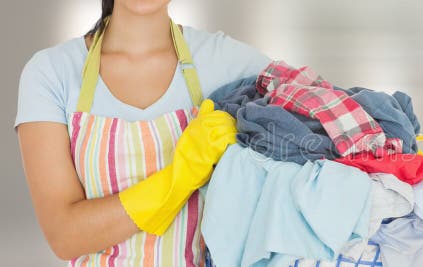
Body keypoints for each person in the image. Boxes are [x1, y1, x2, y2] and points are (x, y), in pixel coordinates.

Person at [14, 0, 270, 265]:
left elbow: (310, 118)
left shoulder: (226, 61)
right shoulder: (51, 73)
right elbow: (65, 236)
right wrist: (181, 178)